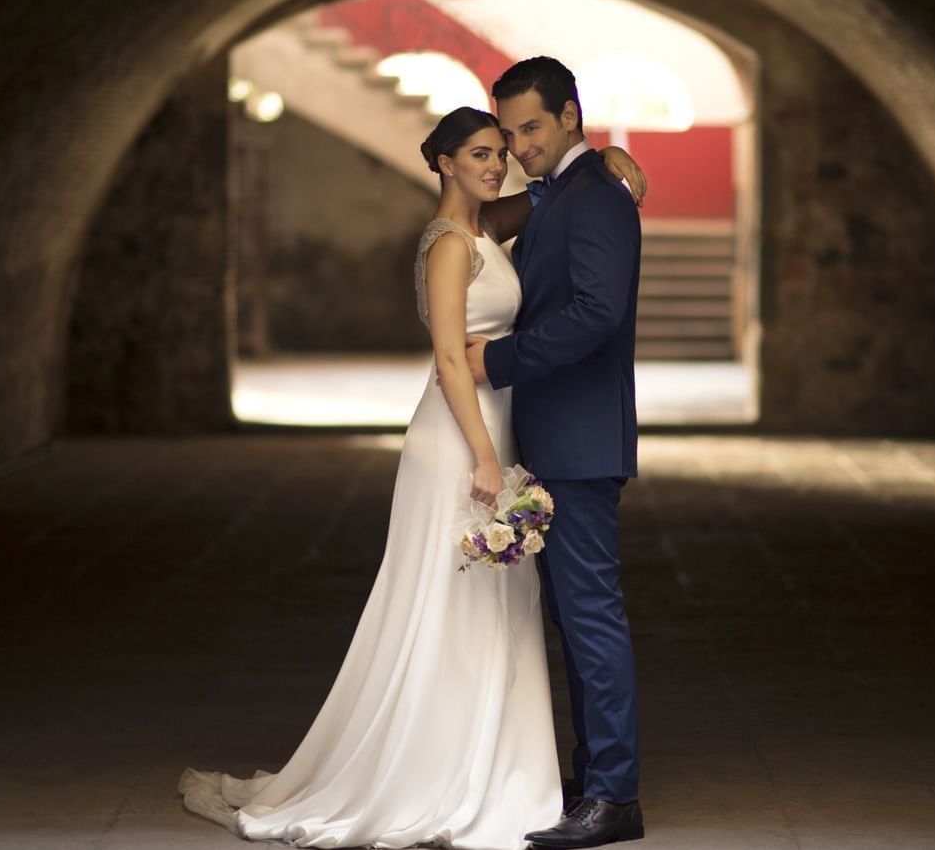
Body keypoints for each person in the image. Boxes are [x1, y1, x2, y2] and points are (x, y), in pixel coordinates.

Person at [177, 106, 647, 850]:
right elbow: (452, 360)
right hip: (460, 440)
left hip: (499, 429)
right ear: (442, 162)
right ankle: (434, 774)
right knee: (448, 602)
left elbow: (556, 191)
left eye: (503, 150)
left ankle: (495, 770)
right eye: (480, 153)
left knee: (501, 605)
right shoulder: (448, 246)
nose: (498, 163)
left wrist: (610, 160)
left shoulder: (493, 223)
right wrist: (487, 461)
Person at [466, 56, 644, 849]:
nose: (519, 145)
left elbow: (598, 312)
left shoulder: (596, 196)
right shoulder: (558, 193)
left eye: (531, 127)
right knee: (573, 621)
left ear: (571, 116)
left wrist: (497, 362)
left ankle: (615, 796)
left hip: (579, 441)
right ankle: (590, 780)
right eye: (507, 132)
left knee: (591, 616)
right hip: (550, 440)